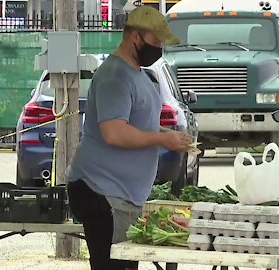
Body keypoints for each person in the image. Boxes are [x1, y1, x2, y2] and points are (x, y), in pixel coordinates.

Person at [65, 6, 191, 270]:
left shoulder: (137, 74)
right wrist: (162, 140)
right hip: (102, 192)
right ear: (135, 37)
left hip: (118, 195)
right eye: (156, 41)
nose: (159, 48)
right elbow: (114, 132)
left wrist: (170, 135)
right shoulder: (115, 76)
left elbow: (138, 124)